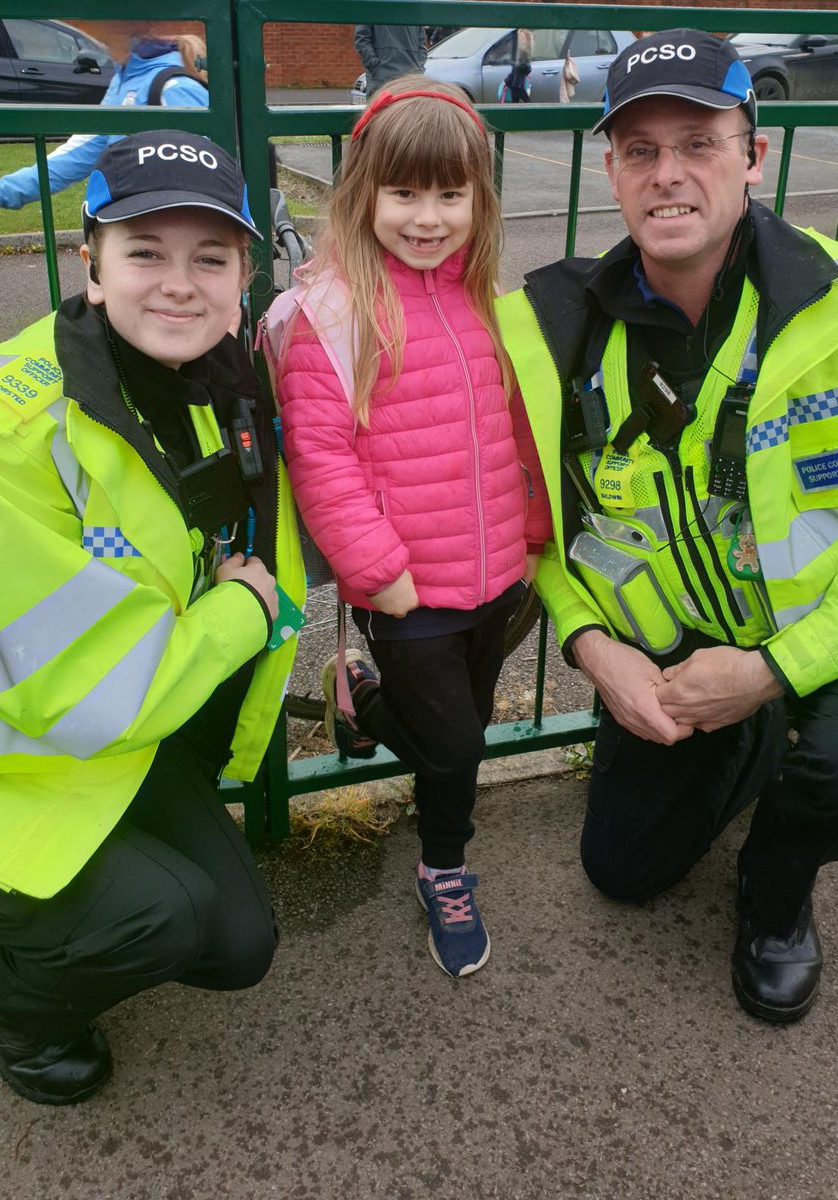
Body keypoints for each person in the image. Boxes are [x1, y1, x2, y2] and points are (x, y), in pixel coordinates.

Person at [496, 30, 838, 1022]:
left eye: (697, 143)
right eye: (639, 151)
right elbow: (533, 533)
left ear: (752, 155)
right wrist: (595, 650)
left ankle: (775, 892)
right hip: (668, 641)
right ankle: (742, 739)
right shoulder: (548, 330)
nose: (666, 174)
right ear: (610, 169)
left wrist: (772, 669)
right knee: (621, 870)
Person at [0, 130, 306, 1104]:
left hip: (92, 738)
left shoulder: (203, 378)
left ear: (244, 271)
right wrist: (246, 616)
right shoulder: (1, 430)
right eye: (144, 252)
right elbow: (86, 686)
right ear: (89, 262)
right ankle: (8, 998)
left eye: (209, 257)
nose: (179, 282)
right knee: (163, 919)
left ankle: (81, 924)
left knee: (237, 945)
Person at [265, 77, 551, 979]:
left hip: (497, 566)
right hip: (405, 582)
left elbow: (516, 423)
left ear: (479, 200)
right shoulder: (335, 311)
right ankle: (444, 866)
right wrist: (375, 568)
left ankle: (358, 703)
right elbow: (321, 459)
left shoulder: (483, 293)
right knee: (459, 742)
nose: (428, 218)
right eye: (405, 193)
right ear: (363, 193)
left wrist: (534, 526)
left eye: (450, 194)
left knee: (459, 724)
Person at [0, 26, 209, 217]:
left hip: (170, 228)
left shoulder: (174, 87)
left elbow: (206, 175)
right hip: (132, 223)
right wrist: (4, 190)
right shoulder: (123, 81)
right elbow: (79, 151)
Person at [353, 24, 427, 98]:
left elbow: (362, 39)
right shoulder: (414, 13)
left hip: (386, 78)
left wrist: (374, 65)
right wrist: (418, 68)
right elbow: (422, 45)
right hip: (403, 78)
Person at [503, 29, 534, 103]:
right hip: (517, 84)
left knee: (517, 102)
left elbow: (520, 68)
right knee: (525, 103)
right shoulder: (520, 51)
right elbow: (521, 69)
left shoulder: (521, 51)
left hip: (516, 84)